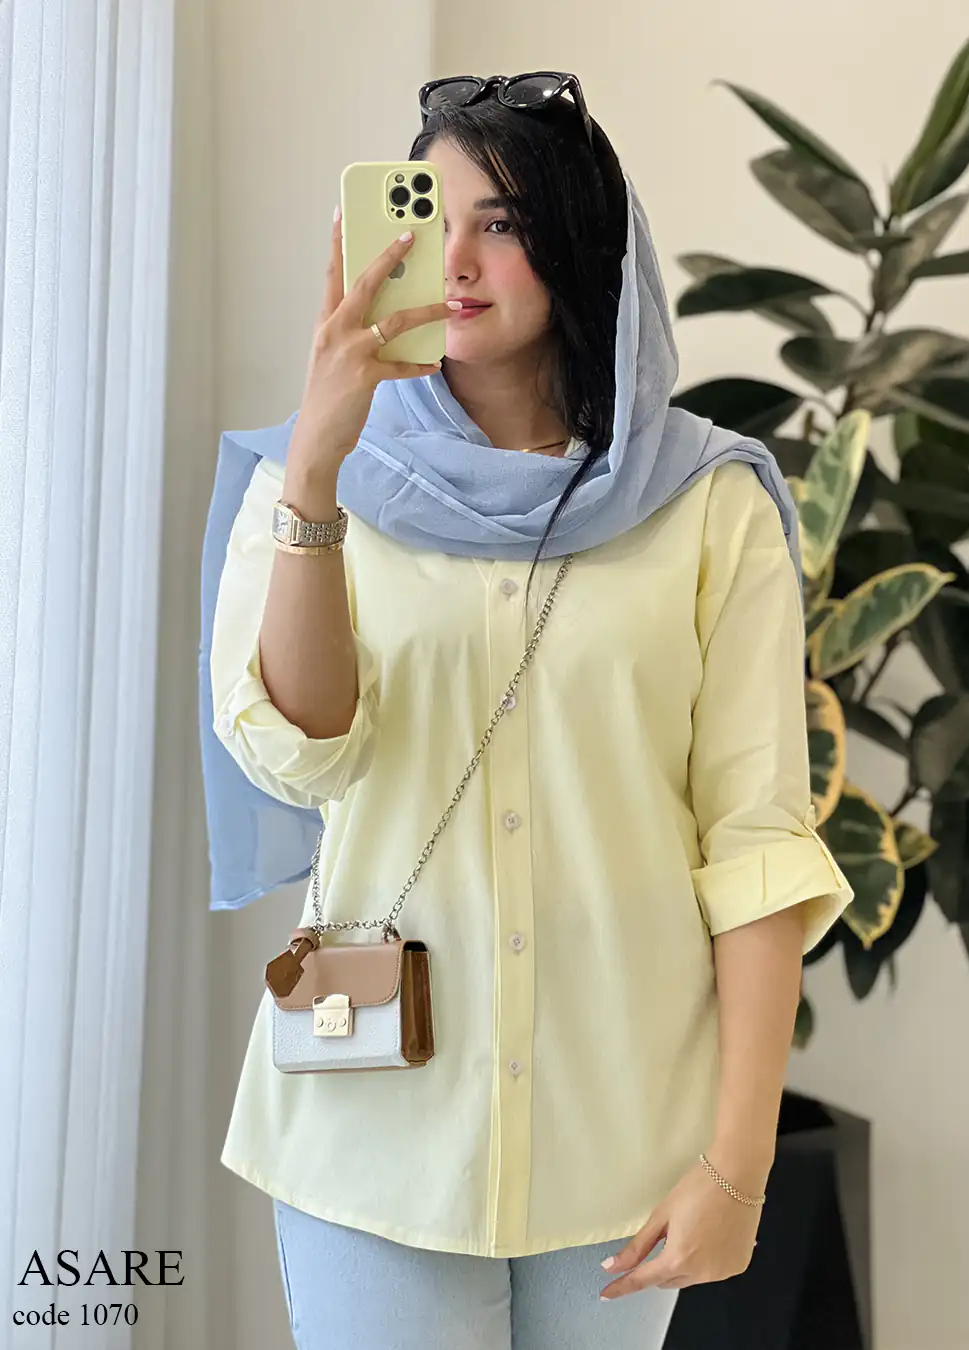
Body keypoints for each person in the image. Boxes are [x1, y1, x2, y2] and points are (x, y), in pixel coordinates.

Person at [199, 72, 854, 1350]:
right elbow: (304, 752)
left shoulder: (708, 504)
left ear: (577, 242)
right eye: (427, 216)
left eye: (498, 223)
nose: (453, 259)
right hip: (374, 1138)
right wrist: (319, 477)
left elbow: (757, 843)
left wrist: (739, 1162)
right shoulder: (311, 480)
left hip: (625, 1145)